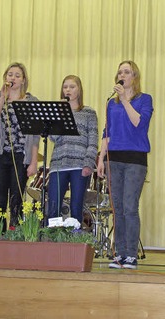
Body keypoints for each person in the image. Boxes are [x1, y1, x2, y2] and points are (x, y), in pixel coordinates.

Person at [97, 61, 154, 270]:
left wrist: (124, 99)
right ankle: (119, 254)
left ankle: (131, 254)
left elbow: (139, 122)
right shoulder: (112, 104)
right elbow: (107, 132)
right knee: (117, 208)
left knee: (130, 207)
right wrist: (101, 159)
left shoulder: (144, 99)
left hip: (135, 160)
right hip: (114, 159)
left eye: (127, 72)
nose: (122, 74)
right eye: (120, 71)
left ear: (134, 77)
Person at [0, 62, 41, 230]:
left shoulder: (31, 101)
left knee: (16, 198)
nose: (13, 78)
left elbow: (36, 135)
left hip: (21, 156)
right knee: (0, 199)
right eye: (10, 74)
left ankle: (15, 235)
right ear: (5, 77)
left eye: (17, 75)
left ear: (23, 80)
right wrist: (3, 97)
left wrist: (33, 162)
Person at [38, 75, 98, 224]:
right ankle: (52, 242)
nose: (68, 90)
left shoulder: (88, 113)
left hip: (80, 165)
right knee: (53, 207)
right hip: (59, 164)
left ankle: (75, 243)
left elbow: (93, 139)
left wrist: (88, 163)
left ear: (79, 89)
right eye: (65, 87)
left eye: (72, 87)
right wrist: (59, 114)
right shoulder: (58, 112)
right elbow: (52, 138)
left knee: (76, 207)